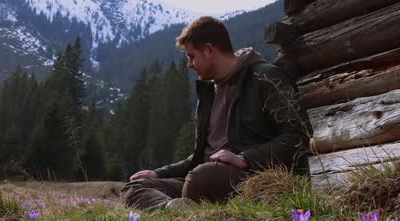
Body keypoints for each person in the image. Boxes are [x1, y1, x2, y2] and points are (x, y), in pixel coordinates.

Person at [121, 16, 310, 210]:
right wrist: (158, 174)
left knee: (201, 178)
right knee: (135, 187)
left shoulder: (266, 77)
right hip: (202, 180)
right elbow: (200, 156)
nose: (189, 64)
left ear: (209, 50)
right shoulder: (209, 93)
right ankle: (173, 210)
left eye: (191, 56)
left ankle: (185, 212)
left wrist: (245, 158)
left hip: (252, 178)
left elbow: (298, 137)